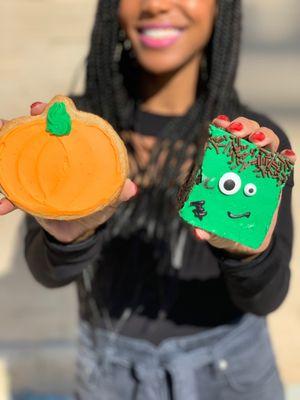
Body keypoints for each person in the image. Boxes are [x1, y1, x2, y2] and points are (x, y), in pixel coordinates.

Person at [0, 0, 296, 399]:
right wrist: (70, 237)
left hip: (232, 376)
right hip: (110, 378)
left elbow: (265, 297)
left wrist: (249, 255)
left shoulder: (246, 150)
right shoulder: (81, 133)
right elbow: (48, 272)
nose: (156, 4)